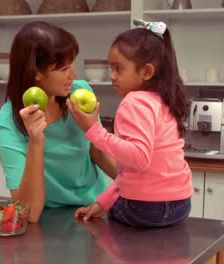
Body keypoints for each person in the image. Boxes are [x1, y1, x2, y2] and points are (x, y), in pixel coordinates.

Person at [70, 18, 193, 228]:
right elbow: (132, 172)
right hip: (181, 206)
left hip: (144, 209)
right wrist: (103, 202)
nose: (112, 76)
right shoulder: (164, 101)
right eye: (111, 68)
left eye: (119, 69)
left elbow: (138, 158)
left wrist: (93, 130)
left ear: (146, 72)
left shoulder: (133, 102)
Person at [0, 21, 117, 223]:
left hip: (95, 211)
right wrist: (36, 140)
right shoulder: (8, 123)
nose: (73, 74)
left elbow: (97, 152)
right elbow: (29, 213)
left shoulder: (79, 92)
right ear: (37, 73)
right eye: (64, 68)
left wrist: (136, 185)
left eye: (72, 64)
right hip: (49, 222)